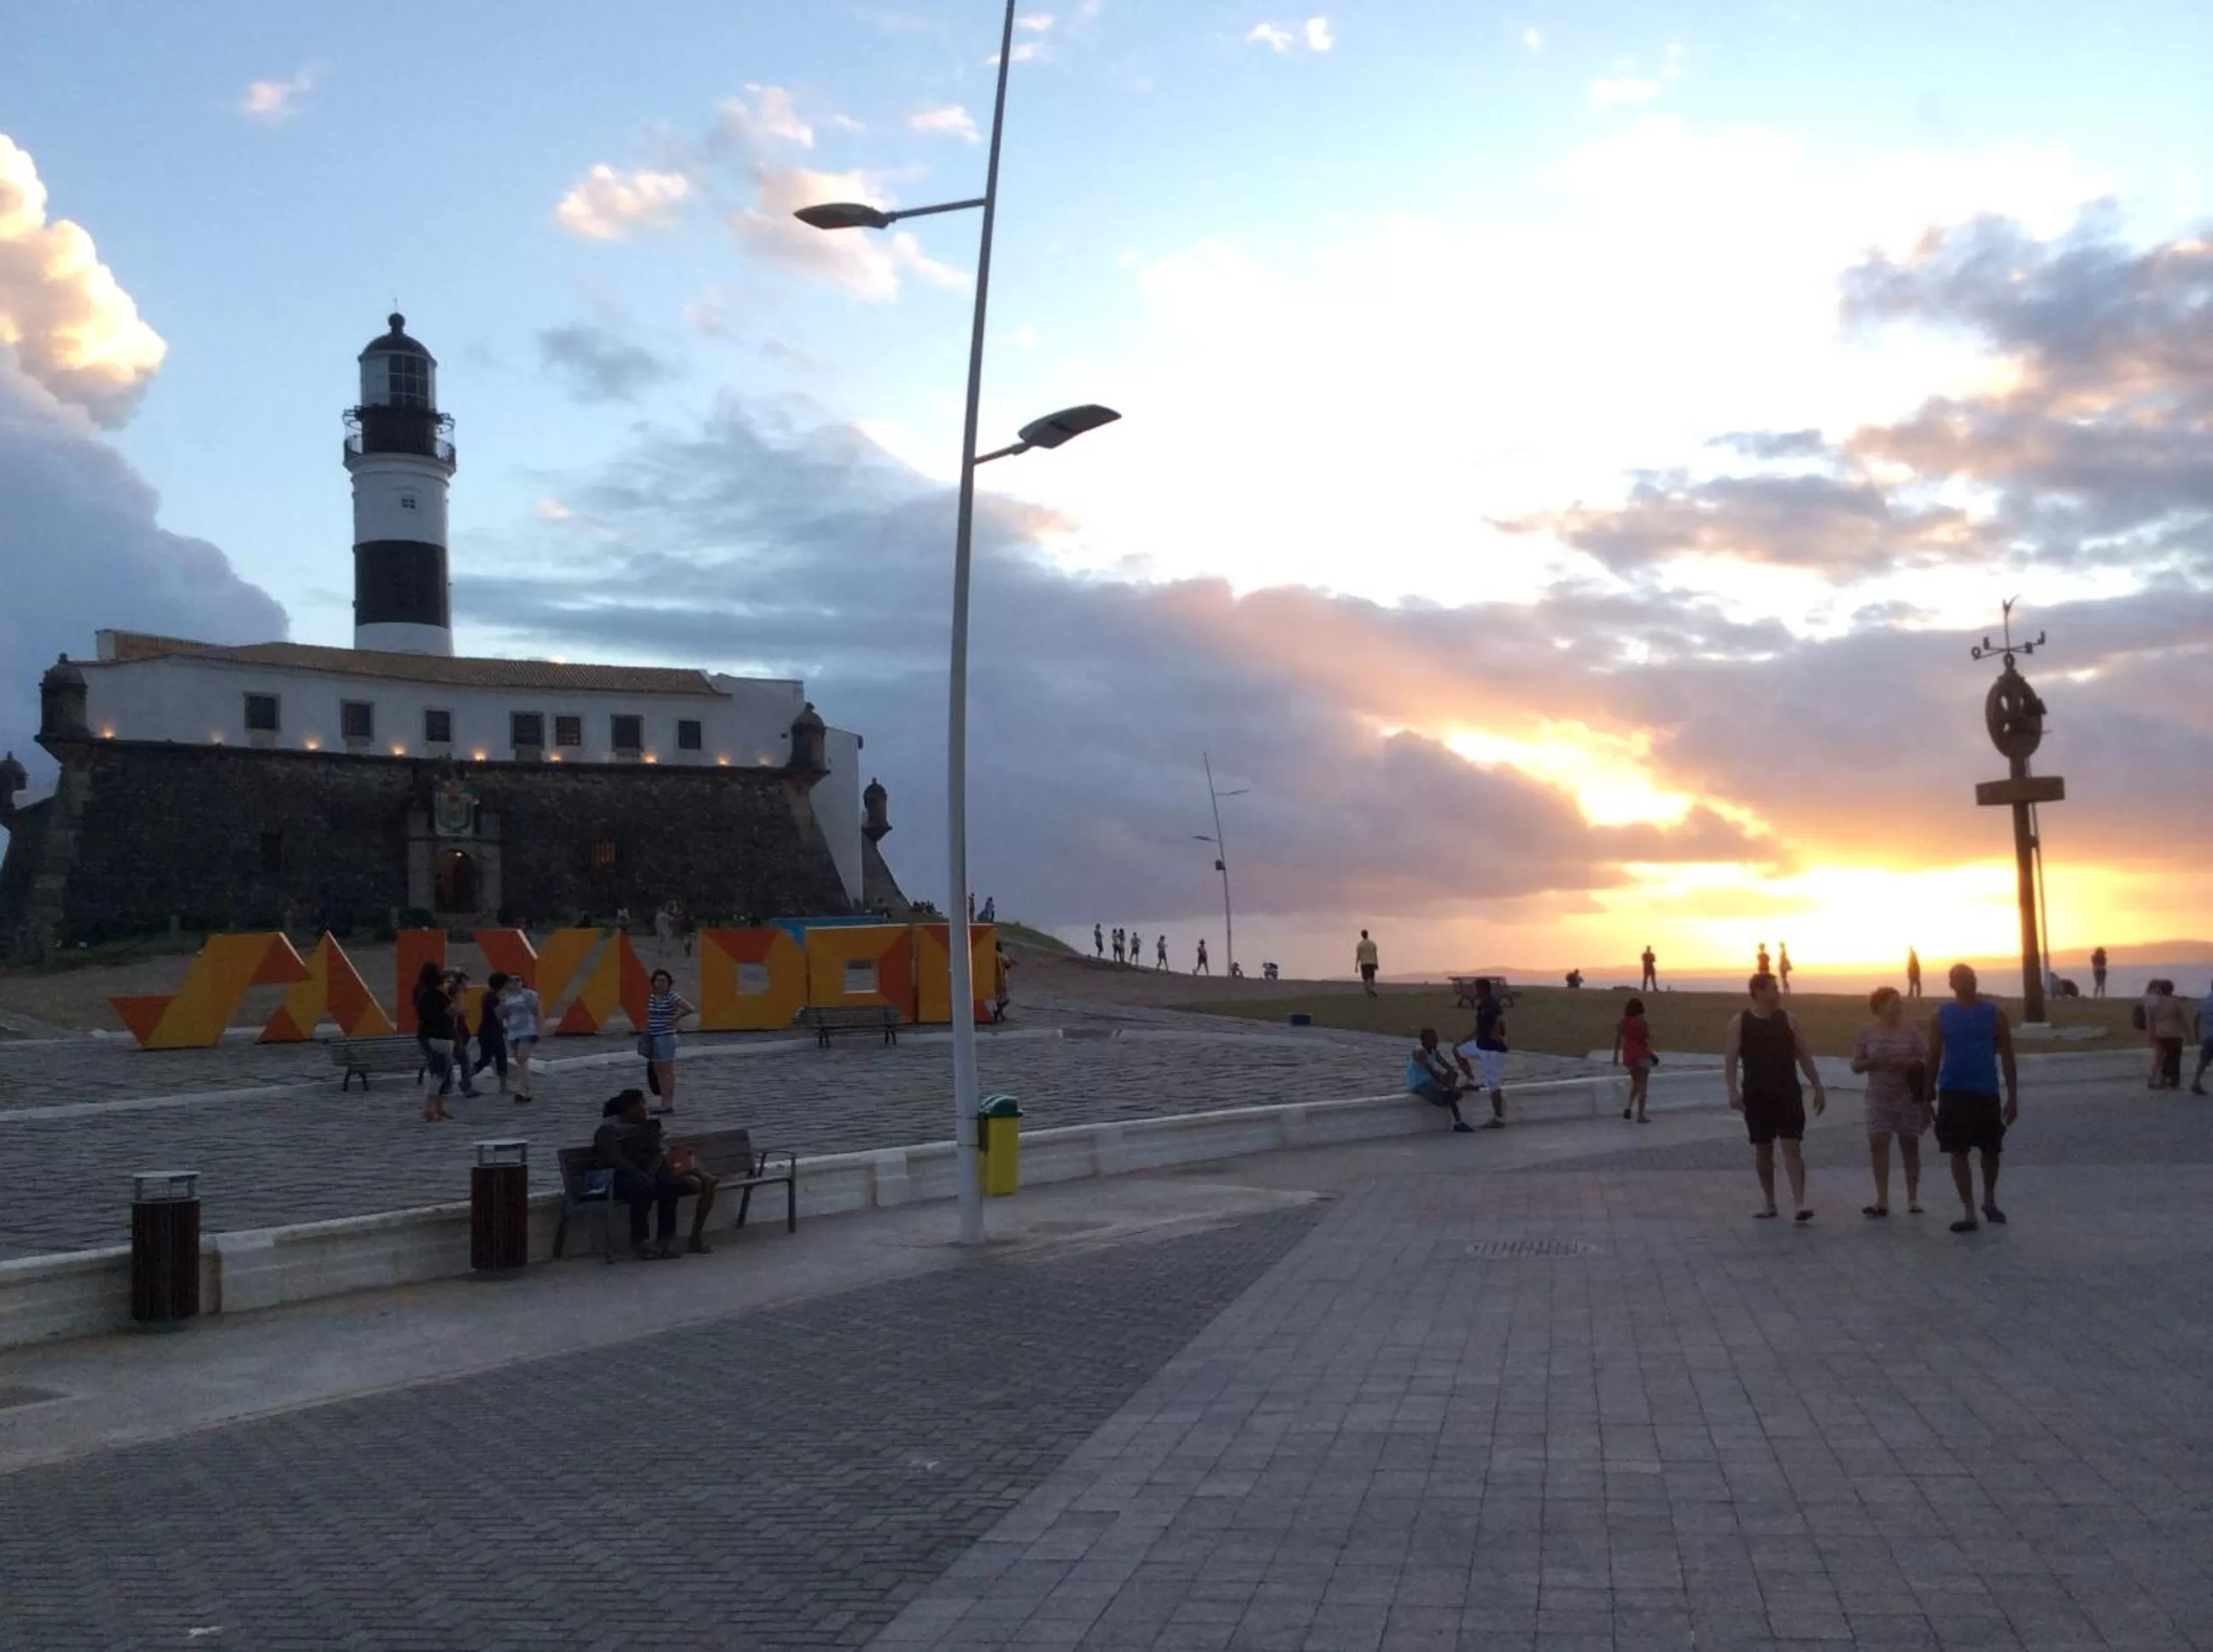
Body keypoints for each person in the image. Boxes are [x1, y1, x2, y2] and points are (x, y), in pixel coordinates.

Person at [1724, 972, 1826, 1221]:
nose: (1777, 992)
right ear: (1758, 992)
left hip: (1787, 1093)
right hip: (1756, 1094)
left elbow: (1803, 1054)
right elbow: (1730, 1058)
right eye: (1772, 988)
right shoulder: (1741, 1021)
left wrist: (1817, 1086)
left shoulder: (1789, 1020)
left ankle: (1800, 1203)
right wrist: (1732, 1090)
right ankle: (1770, 1202)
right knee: (1763, 1150)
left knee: (1792, 1146)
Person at [1926, 963, 2018, 1232]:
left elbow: (2009, 1057)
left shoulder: (1995, 1015)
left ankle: (1989, 1199)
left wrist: (2012, 1096)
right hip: (1953, 1090)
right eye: (1964, 979)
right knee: (1958, 1150)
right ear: (1952, 984)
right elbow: (1932, 1057)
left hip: (1985, 1090)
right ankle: (1968, 1211)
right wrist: (1926, 1095)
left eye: (1972, 977)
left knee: (1991, 1149)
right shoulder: (1941, 1016)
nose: (1970, 982)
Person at [593, 1089, 719, 1259]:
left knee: (669, 1185)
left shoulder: (648, 1127)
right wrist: (640, 1173)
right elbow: (614, 1159)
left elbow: (656, 1154)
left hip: (646, 1172)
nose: (645, 1109)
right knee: (642, 1187)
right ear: (628, 1108)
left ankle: (665, 1239)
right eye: (641, 1105)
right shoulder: (608, 1130)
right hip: (617, 1175)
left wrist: (652, 1170)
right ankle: (640, 1240)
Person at [1851, 986, 1930, 1217]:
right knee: (1878, 1144)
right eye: (1892, 1002)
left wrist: (1907, 1062)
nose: (1897, 1006)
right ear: (1880, 1006)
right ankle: (1882, 1200)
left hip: (1907, 1096)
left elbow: (1925, 1058)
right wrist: (1872, 1062)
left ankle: (1913, 1198)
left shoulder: (1911, 1032)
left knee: (1910, 1145)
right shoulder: (1867, 1033)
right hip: (1878, 1096)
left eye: (1899, 1002)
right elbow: (1856, 1065)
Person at [1452, 979, 1510, 1128]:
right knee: (1458, 1051)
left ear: (1482, 990)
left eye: (1475, 989)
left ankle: (1499, 1118)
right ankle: (1471, 1080)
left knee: (1493, 1083)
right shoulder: (1481, 1006)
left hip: (1491, 1049)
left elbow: (1501, 1022)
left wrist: (1497, 1036)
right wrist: (1464, 1040)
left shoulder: (1492, 1005)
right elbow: (1479, 1028)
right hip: (1481, 1045)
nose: (1473, 992)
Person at [641, 967, 695, 1116]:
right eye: (658, 980)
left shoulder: (672, 996)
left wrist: (676, 1017)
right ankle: (663, 1101)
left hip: (666, 1036)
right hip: (654, 1036)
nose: (661, 983)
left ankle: (667, 1103)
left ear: (669, 983)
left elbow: (690, 1008)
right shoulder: (652, 997)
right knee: (658, 1070)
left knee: (667, 1071)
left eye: (664, 981)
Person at [412, 960, 457, 1122]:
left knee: (435, 1070)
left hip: (425, 1035)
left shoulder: (419, 991)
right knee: (440, 1074)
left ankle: (437, 1108)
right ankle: (429, 1108)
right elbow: (454, 1012)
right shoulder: (440, 996)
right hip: (441, 1035)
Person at [1404, 1029, 1476, 1132]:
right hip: (1419, 1084)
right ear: (1424, 1041)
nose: (1436, 1041)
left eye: (1436, 1038)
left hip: (1430, 1081)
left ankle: (1456, 1116)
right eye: (1432, 1039)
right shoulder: (1420, 1052)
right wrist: (1451, 1087)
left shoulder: (1434, 1052)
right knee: (1448, 1093)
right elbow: (1433, 1072)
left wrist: (1451, 1080)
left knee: (1453, 1077)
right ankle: (1451, 1100)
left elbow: (1448, 1067)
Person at [499, 968, 544, 1104]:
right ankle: (525, 1090)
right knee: (521, 1062)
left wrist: (538, 1031)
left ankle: (521, 1090)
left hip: (527, 1030)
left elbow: (539, 1013)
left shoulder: (529, 995)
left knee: (522, 1058)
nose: (514, 983)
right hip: (513, 1032)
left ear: (522, 982)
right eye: (511, 981)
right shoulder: (507, 997)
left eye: (517, 980)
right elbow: (503, 1014)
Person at [1613, 996, 1655, 1123]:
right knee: (1643, 1086)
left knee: (1636, 1084)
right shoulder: (1642, 1021)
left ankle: (1629, 1107)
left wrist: (1615, 1055)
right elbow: (1646, 1036)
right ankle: (1640, 1116)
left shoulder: (1623, 1022)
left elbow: (1618, 1039)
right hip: (1641, 1054)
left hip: (1628, 1055)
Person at [444, 971, 482, 1099]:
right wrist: (463, 1012)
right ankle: (465, 1086)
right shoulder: (458, 992)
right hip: (455, 1031)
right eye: (467, 982)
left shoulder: (451, 991)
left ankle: (447, 1085)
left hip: (451, 1031)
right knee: (463, 1059)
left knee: (450, 1057)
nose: (469, 985)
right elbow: (456, 1011)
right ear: (463, 982)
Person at [2147, 979, 2189, 1090]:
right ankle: (2174, 1083)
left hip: (2160, 1033)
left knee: (2165, 1057)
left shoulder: (2155, 1003)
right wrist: (2188, 1033)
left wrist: (2151, 1034)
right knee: (2174, 1058)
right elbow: (2181, 1019)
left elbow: (2151, 1019)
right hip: (2173, 1033)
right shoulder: (2173, 1002)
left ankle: (2162, 1079)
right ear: (2171, 990)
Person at [472, 972, 510, 1094]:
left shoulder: (487, 995)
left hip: (489, 1031)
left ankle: (503, 1087)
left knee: (494, 1057)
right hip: (491, 1032)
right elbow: (498, 1015)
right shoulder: (494, 998)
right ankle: (467, 1076)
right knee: (494, 1058)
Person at [2191, 979, 2213, 1096]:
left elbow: (2196, 1019)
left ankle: (2196, 1081)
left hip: (2207, 1036)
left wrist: (2197, 1035)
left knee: (2203, 1061)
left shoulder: (2203, 1002)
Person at [990, 940, 1014, 1023]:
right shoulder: (1002, 956)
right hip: (1002, 979)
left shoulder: (991, 956)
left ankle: (1000, 1014)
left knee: (999, 999)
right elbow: (1008, 965)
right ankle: (997, 1012)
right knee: (1007, 999)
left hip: (993, 980)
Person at [1355, 930, 1381, 997]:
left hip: (1364, 963)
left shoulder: (1360, 944)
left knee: (1366, 978)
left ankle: (1368, 988)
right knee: (1371, 978)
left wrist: (1356, 965)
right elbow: (1375, 954)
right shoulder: (1372, 943)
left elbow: (1358, 955)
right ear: (1367, 934)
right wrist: (1376, 963)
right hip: (1371, 962)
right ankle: (1370, 989)